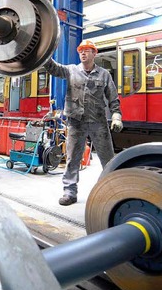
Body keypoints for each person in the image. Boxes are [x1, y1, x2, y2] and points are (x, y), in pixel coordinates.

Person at [44, 39, 123, 206]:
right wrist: (44, 53)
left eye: (87, 50)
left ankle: (115, 191)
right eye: (81, 50)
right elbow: (53, 68)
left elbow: (113, 97)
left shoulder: (104, 74)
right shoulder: (71, 70)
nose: (83, 53)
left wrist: (116, 115)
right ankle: (69, 192)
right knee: (73, 158)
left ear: (94, 53)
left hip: (98, 122)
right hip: (76, 122)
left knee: (108, 159)